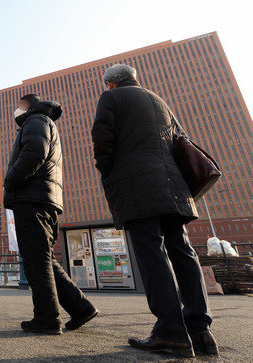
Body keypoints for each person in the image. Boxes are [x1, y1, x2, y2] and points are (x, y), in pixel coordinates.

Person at [91, 64, 215, 358]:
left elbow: (102, 138)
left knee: (152, 253)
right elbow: (178, 141)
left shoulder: (111, 98)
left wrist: (107, 170)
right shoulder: (159, 100)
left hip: (138, 185)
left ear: (110, 83)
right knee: (182, 252)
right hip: (173, 186)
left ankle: (171, 332)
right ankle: (200, 330)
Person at [3, 94, 98, 335]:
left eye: (20, 106)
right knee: (43, 258)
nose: (16, 110)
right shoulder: (42, 121)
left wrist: (11, 179)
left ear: (29, 106)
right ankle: (80, 308)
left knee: (36, 261)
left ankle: (46, 319)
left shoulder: (35, 120)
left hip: (32, 198)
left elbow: (35, 151)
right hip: (43, 197)